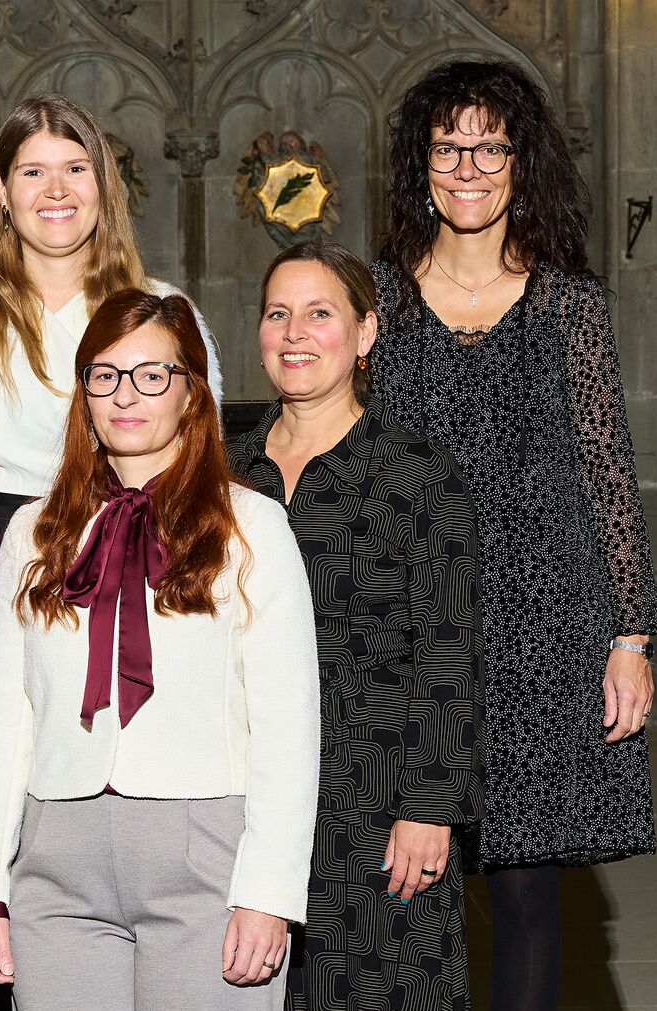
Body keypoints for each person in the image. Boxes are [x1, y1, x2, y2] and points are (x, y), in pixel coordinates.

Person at [370, 59, 657, 1011]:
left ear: (520, 163)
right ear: (421, 163)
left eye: (489, 147)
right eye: (448, 147)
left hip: (547, 636)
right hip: (420, 632)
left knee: (531, 897)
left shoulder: (570, 304)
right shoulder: (381, 307)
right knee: (414, 892)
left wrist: (629, 637)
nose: (467, 166)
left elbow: (607, 471)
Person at [0, 290, 320, 1010]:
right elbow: (3, 717)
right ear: (83, 391)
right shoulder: (33, 532)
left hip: (204, 855)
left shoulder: (252, 527)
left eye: (153, 374)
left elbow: (288, 724)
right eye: (106, 374)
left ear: (191, 393)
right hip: (56, 861)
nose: (127, 394)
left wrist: (269, 891)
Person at [227, 241, 482, 1010]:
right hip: (251, 796)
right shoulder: (225, 474)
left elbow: (450, 649)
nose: (295, 332)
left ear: (365, 334)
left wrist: (430, 806)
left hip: (376, 796)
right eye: (278, 314)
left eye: (319, 313)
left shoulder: (418, 473)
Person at [0, 93, 223, 546]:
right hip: (2, 546)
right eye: (33, 172)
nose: (56, 190)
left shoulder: (162, 308)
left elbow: (201, 451)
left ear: (103, 185)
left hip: (140, 537)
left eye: (76, 168)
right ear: (2, 192)